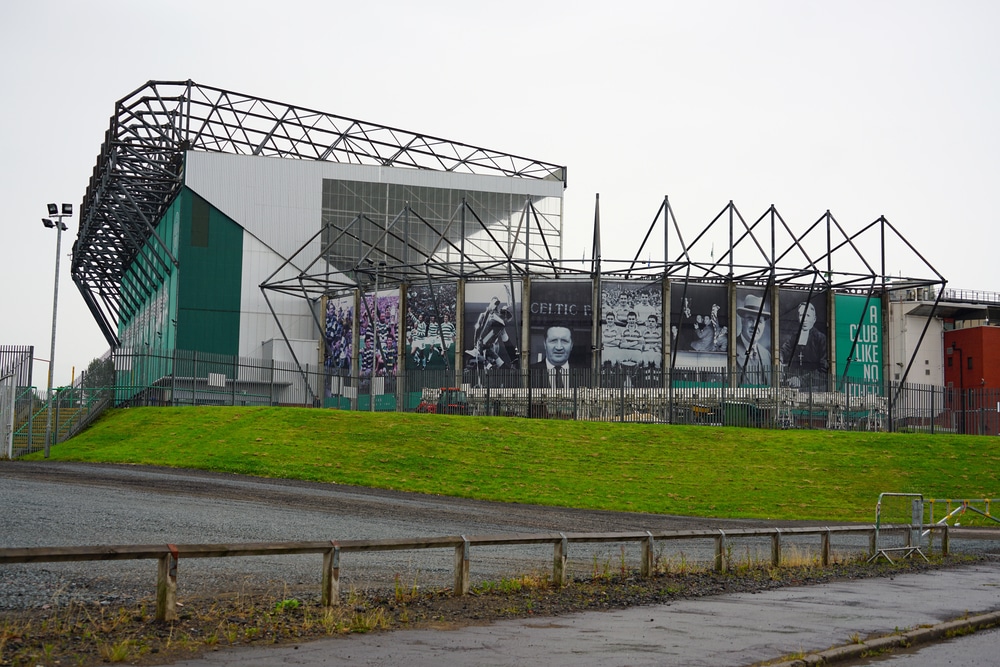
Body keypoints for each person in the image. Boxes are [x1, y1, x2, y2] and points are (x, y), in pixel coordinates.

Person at [780, 301, 829, 389]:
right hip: (794, 385)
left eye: (808, 316)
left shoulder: (821, 339)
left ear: (814, 319)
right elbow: (783, 351)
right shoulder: (794, 338)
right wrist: (779, 360)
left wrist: (801, 380)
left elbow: (824, 370)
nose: (804, 319)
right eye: (802, 315)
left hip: (814, 387)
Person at [735, 293, 772, 385]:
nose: (755, 326)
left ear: (763, 325)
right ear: (742, 321)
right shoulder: (731, 350)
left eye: (759, 321)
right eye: (750, 319)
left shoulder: (766, 354)